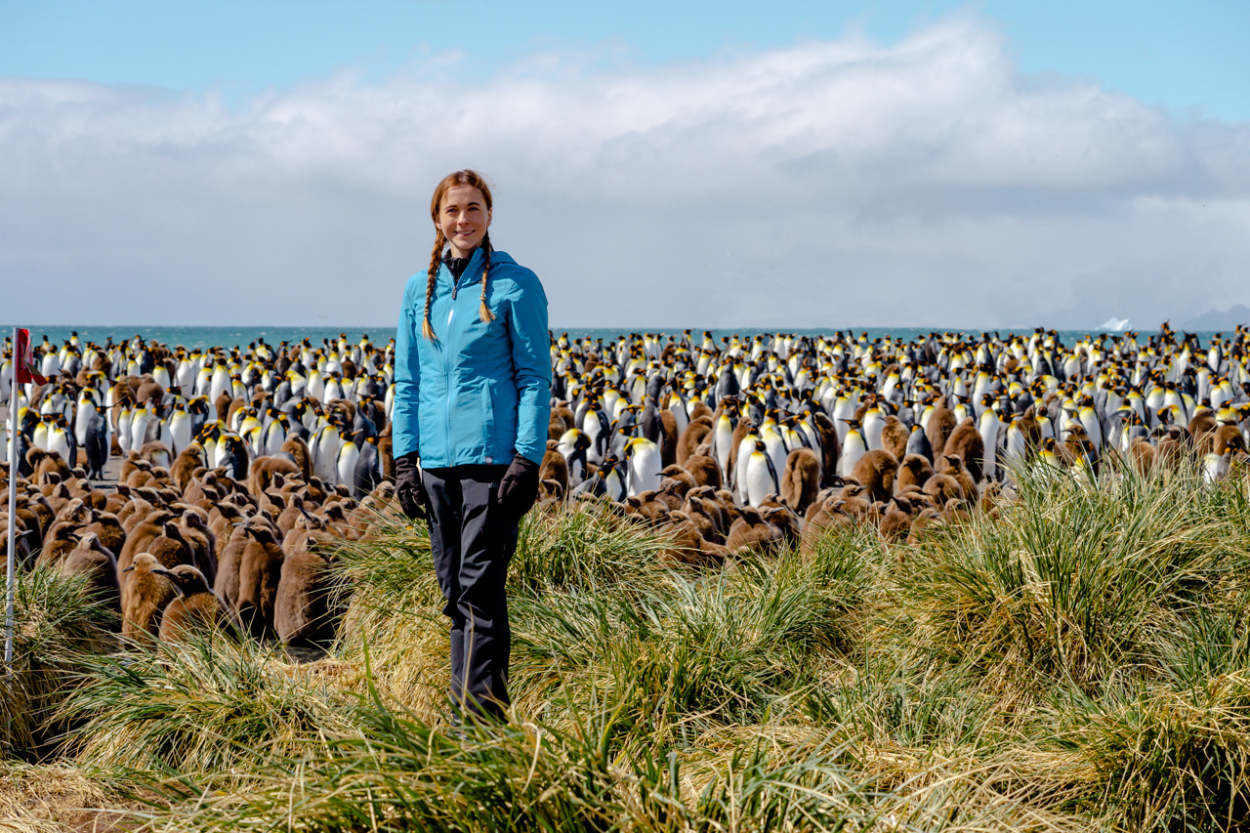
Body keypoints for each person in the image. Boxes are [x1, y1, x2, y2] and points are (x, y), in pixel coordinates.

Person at [391, 170, 551, 722]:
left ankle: (481, 724)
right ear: (438, 218)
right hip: (435, 463)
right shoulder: (420, 289)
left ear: (489, 217)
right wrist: (403, 459)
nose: (464, 219)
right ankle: (462, 714)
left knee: (481, 591)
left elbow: (534, 376)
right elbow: (407, 380)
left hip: (490, 462)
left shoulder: (517, 283)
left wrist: (527, 458)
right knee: (455, 594)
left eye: (474, 208)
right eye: (454, 209)